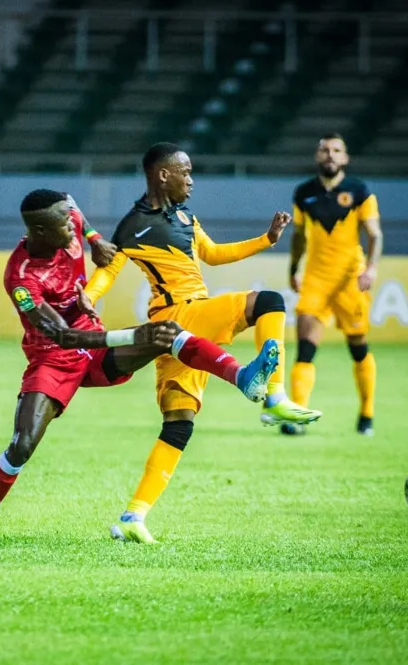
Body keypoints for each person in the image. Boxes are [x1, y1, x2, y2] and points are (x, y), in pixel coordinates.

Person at [0, 189, 282, 543]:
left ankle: (242, 377)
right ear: (39, 230)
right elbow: (62, 336)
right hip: (53, 360)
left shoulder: (68, 221)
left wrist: (94, 239)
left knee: (167, 332)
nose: (71, 227)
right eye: (64, 225)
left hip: (94, 347)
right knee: (22, 445)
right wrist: (128, 336)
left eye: (71, 221)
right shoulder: (21, 278)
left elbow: (74, 208)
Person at [83, 143, 323, 544]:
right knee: (268, 302)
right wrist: (89, 297)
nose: (191, 181)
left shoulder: (185, 216)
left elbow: (212, 254)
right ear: (163, 175)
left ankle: (132, 516)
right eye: (186, 172)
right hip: (179, 314)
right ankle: (274, 396)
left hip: (178, 329)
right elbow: (109, 270)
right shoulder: (133, 226)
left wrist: (266, 239)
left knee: (178, 425)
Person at [285, 133, 384, 436]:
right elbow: (299, 236)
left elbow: (375, 234)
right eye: (325, 150)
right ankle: (298, 417)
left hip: (349, 280)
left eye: (336, 150)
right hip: (315, 279)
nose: (330, 154)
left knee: (358, 347)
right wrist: (293, 268)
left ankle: (366, 414)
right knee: (305, 349)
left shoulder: (359, 191)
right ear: (317, 156)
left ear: (345, 158)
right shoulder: (304, 193)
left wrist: (371, 269)